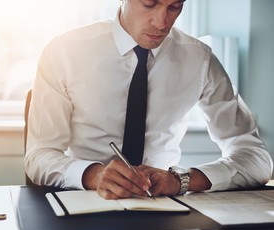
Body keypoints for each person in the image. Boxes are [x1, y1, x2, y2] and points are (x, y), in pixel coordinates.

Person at [24, 0, 273, 199]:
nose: (162, 22)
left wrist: (181, 180)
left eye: (174, 6)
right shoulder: (64, 51)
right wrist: (93, 174)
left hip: (164, 205)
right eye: (149, 3)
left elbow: (257, 160)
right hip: (82, 200)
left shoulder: (200, 58)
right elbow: (39, 157)